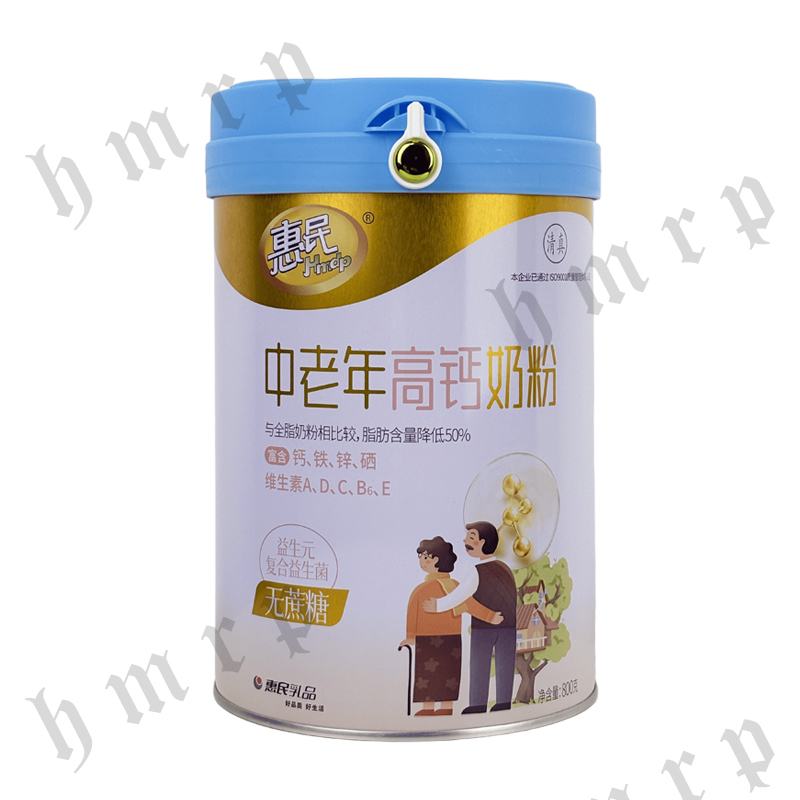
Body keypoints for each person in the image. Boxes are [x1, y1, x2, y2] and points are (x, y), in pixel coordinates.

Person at [400, 536, 502, 716]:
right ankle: (428, 708)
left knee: (447, 673)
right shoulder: (423, 589)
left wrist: (490, 616)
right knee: (427, 675)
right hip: (428, 638)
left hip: (449, 637)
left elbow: (470, 604)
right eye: (421, 557)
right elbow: (413, 612)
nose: (421, 561)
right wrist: (411, 636)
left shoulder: (453, 587)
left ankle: (445, 707)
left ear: (436, 560)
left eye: (425, 557)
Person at [423, 522, 517, 713]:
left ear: (482, 543)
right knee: (506, 663)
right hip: (509, 625)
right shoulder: (505, 568)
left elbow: (460, 595)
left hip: (483, 628)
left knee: (479, 663)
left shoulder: (477, 571)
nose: (465, 541)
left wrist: (438, 605)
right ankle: (504, 702)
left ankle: (478, 704)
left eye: (471, 537)